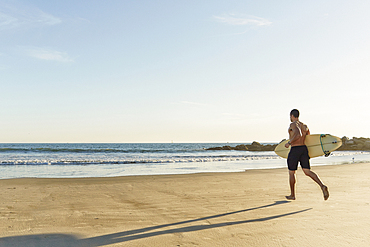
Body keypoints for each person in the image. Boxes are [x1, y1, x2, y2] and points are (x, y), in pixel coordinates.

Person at [285, 109, 329, 200]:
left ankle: (292, 195)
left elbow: (298, 134)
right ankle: (322, 186)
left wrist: (289, 142)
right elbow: (309, 138)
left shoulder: (293, 124)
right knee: (307, 171)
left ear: (291, 115)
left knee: (291, 172)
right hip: (304, 149)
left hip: (295, 149)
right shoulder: (305, 126)